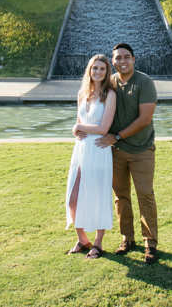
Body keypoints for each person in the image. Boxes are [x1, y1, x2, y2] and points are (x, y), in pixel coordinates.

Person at [94, 42, 159, 264]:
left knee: (145, 196)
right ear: (112, 62)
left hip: (141, 150)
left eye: (126, 57)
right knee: (121, 197)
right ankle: (127, 239)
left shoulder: (144, 82)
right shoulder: (109, 83)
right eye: (118, 58)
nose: (122, 61)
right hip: (116, 152)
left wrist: (118, 136)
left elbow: (144, 119)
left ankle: (150, 243)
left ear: (133, 59)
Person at [65, 54, 117, 259]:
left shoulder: (110, 95)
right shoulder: (82, 94)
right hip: (80, 150)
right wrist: (75, 129)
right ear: (89, 70)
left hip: (99, 148)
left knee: (98, 194)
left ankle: (98, 243)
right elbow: (79, 124)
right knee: (73, 197)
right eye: (95, 68)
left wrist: (79, 126)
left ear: (107, 72)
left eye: (102, 69)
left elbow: (104, 128)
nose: (98, 72)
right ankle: (82, 239)